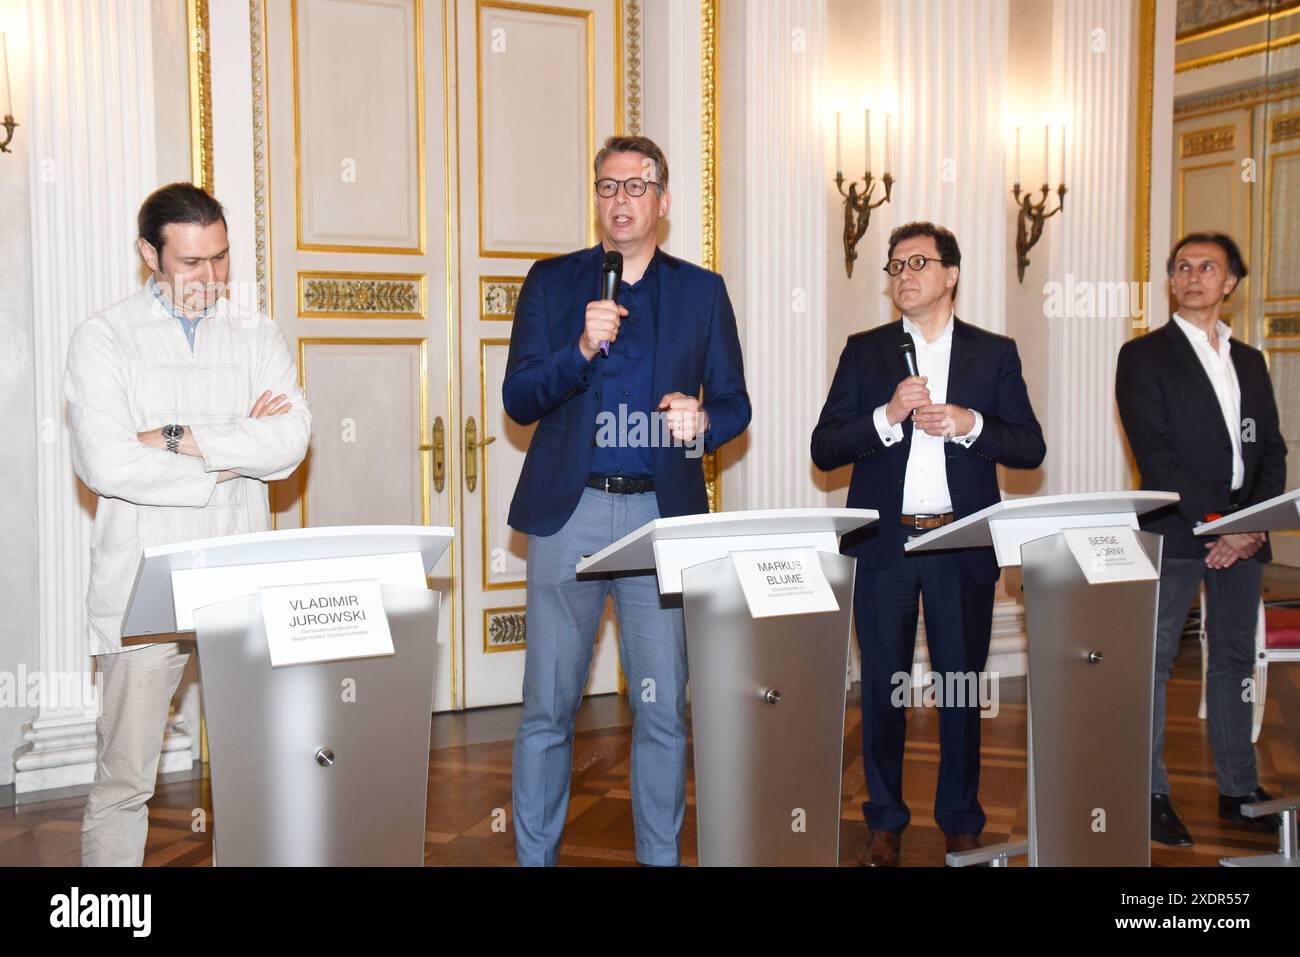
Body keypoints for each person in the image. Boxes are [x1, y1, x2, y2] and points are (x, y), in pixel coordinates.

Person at [503, 135, 750, 866]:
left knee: (662, 710)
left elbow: (735, 405)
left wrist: (702, 422)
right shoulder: (553, 283)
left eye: (636, 187)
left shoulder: (702, 291)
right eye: (608, 187)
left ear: (663, 202)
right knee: (547, 709)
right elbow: (519, 398)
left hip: (658, 519)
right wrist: (579, 348)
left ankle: (659, 859)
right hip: (568, 514)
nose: (621, 201)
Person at [66, 182, 311, 865]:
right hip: (144, 583)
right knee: (125, 776)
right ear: (149, 253)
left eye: (221, 259)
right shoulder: (103, 338)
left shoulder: (257, 333)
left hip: (243, 580)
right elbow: (107, 462)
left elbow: (290, 441)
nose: (211, 279)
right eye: (191, 263)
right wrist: (233, 454)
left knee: (252, 768)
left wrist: (173, 437)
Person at [811, 221, 1045, 866]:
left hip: (959, 543)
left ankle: (961, 820)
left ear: (952, 274)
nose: (903, 275)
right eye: (893, 266)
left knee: (962, 688)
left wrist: (972, 425)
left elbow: (1030, 447)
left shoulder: (993, 354)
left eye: (918, 262)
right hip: (886, 547)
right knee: (884, 689)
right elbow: (824, 448)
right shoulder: (866, 352)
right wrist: (885, 417)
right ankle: (884, 822)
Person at [1116, 231, 1286, 847]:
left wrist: (1250, 523)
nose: (1192, 276)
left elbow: (1271, 449)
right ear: (1171, 281)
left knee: (1236, 660)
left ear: (1230, 283)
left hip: (1242, 533)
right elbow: (1156, 455)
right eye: (1182, 267)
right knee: (1155, 662)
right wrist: (1222, 525)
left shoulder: (1250, 360)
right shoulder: (1144, 356)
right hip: (1177, 531)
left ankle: (1241, 788)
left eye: (1207, 268)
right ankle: (1150, 792)